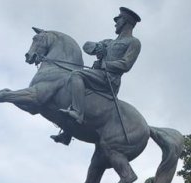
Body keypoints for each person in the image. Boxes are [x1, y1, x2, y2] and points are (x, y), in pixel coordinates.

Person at [53, 6, 141, 145]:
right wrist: (96, 48)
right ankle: (67, 133)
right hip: (97, 75)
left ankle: (78, 113)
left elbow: (126, 65)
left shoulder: (133, 42)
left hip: (110, 80)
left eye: (118, 20)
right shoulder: (109, 42)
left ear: (125, 21)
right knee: (75, 89)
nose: (115, 23)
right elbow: (86, 46)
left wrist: (105, 65)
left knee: (77, 75)